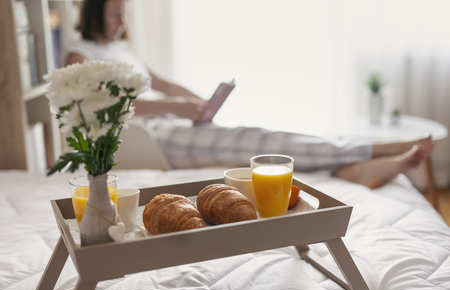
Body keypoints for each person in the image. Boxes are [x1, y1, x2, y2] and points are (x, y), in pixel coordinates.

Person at [65, 0, 435, 189]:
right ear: (95, 11)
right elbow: (100, 104)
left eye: (124, 13)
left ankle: (354, 169)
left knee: (255, 136)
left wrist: (199, 103)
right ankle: (374, 149)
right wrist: (177, 107)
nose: (122, 22)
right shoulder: (81, 53)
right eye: (116, 13)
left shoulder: (124, 52)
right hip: (146, 138)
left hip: (169, 125)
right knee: (255, 143)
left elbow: (164, 83)